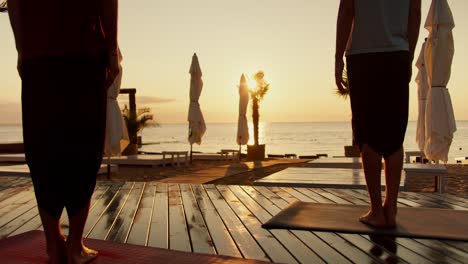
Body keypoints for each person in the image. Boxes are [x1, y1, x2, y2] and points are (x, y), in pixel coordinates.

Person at [2, 0, 119, 263]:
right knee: (84, 147)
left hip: (37, 56)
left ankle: (54, 245)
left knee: (43, 148)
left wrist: (22, 49)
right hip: (83, 51)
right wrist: (111, 49)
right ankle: (75, 246)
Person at [335, 0, 421, 228]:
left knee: (368, 135)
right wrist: (409, 55)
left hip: (363, 55)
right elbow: (414, 12)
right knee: (394, 136)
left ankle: (376, 210)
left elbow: (347, 10)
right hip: (397, 53)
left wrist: (337, 58)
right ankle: (390, 208)